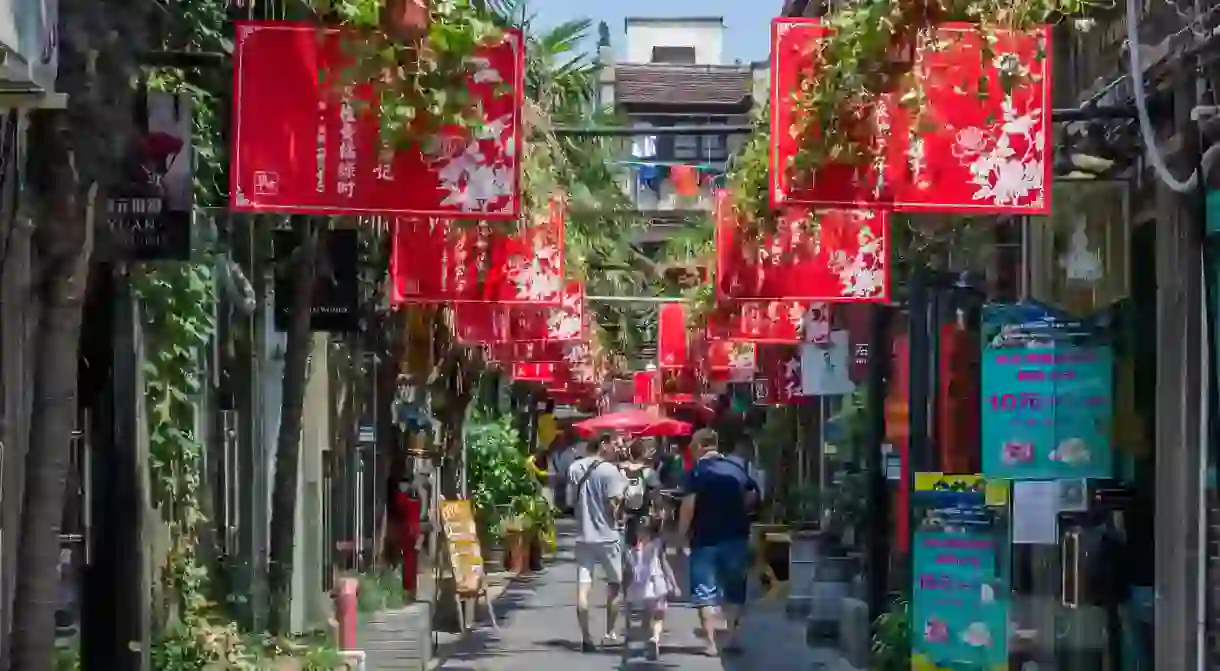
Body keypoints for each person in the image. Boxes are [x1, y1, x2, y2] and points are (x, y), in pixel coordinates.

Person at [677, 428, 759, 656]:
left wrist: (682, 535)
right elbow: (752, 495)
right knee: (735, 589)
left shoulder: (696, 473)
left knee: (705, 592)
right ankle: (732, 638)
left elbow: (688, 506)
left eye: (693, 445)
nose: (691, 449)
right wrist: (739, 511)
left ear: (702, 446)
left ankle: (711, 643)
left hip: (705, 540)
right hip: (735, 538)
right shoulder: (736, 469)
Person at [567, 432, 629, 652]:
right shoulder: (611, 471)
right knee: (615, 584)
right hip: (608, 537)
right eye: (613, 444)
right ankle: (610, 632)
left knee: (583, 588)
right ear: (603, 445)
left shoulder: (574, 469)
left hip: (584, 537)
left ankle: (586, 638)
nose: (616, 448)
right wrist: (622, 504)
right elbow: (615, 511)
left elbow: (569, 501)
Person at [626, 514, 680, 661]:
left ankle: (647, 641)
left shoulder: (631, 549)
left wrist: (625, 590)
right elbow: (665, 565)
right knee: (659, 615)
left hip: (640, 586)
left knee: (646, 616)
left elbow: (628, 572)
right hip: (657, 583)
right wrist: (674, 584)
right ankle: (654, 638)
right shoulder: (657, 544)